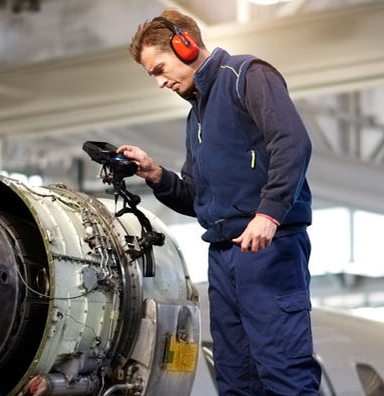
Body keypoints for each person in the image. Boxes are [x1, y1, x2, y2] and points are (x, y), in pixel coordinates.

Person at [119, 8, 320, 395]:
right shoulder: (196, 117)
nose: (160, 82)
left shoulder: (248, 76)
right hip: (224, 257)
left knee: (284, 373)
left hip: (269, 250)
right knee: (236, 379)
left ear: (186, 45)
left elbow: (293, 144)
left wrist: (269, 214)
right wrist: (156, 174)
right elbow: (197, 197)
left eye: (160, 69)